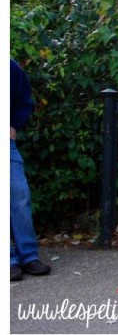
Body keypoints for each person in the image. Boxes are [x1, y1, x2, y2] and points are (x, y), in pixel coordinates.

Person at [10, 60, 51, 281]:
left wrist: (14, 125)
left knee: (20, 195)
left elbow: (24, 100)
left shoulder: (9, 67)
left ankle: (28, 256)